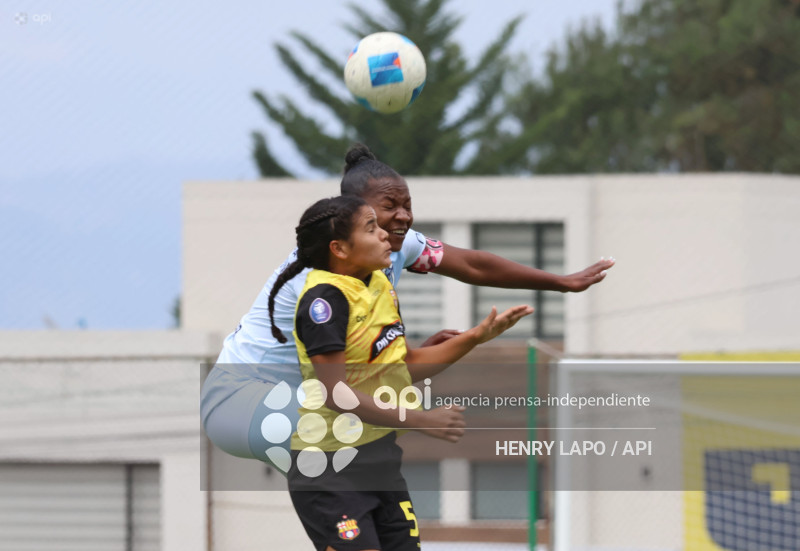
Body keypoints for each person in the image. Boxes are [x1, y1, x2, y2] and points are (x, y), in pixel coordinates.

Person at [200, 143, 614, 469]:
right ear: (352, 219)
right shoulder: (320, 283)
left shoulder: (391, 246)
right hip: (243, 400)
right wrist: (422, 419)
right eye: (387, 208)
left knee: (373, 438)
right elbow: (337, 390)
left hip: (303, 394)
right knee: (362, 431)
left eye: (406, 206)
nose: (402, 217)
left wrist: (560, 282)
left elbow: (472, 263)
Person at [275, 195, 532, 551]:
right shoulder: (325, 302)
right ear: (340, 249)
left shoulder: (379, 283)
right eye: (371, 228)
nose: (384, 235)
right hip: (329, 470)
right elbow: (336, 394)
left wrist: (476, 337)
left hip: (379, 461)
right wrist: (420, 420)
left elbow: (405, 366)